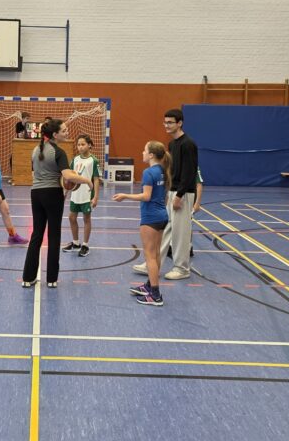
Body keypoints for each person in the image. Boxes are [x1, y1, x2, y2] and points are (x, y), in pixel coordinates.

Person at [21, 119, 91, 288]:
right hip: (52, 194)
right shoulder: (58, 152)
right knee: (54, 235)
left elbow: (34, 174)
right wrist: (86, 180)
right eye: (64, 130)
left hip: (36, 193)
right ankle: (51, 279)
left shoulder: (35, 150)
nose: (67, 132)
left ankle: (28, 277)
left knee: (37, 234)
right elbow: (67, 176)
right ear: (55, 134)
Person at [133, 108, 198, 280]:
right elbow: (171, 170)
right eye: (165, 122)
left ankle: (182, 268)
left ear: (180, 123)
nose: (166, 125)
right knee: (166, 229)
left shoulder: (188, 144)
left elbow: (189, 173)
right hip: (172, 191)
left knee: (180, 233)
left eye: (170, 122)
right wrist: (168, 192)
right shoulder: (172, 144)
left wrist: (179, 196)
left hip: (183, 194)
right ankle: (153, 263)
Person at [113, 141, 170, 307]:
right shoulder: (163, 170)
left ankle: (156, 295)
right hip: (162, 216)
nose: (142, 152)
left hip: (150, 218)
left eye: (144, 150)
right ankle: (149, 286)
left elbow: (146, 196)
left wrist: (125, 196)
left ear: (151, 155)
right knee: (156, 254)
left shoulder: (148, 172)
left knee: (150, 256)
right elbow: (164, 196)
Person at [63, 134, 101, 257]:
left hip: (87, 194)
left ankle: (85, 245)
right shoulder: (75, 159)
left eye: (83, 144)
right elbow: (69, 178)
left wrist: (96, 197)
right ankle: (75, 243)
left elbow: (96, 180)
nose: (80, 147)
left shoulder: (94, 161)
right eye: (78, 144)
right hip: (75, 194)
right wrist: (65, 192)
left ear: (89, 145)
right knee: (71, 217)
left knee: (86, 219)